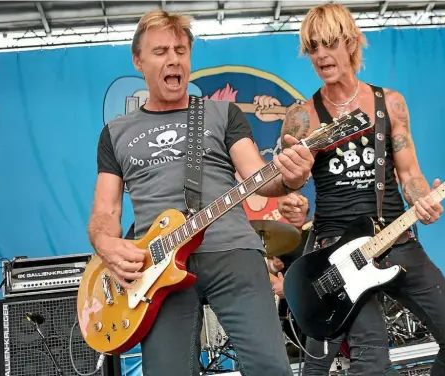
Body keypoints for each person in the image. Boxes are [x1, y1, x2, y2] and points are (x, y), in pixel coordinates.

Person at [88, 9, 314, 376]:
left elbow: (260, 176)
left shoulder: (220, 113)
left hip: (232, 249)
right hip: (156, 270)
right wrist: (106, 244)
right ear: (138, 61)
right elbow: (105, 211)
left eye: (181, 50)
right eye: (160, 51)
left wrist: (291, 177)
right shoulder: (115, 132)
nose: (173, 59)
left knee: (271, 367)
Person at [277, 4, 445, 376]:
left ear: (351, 42)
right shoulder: (302, 116)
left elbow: (410, 175)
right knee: (371, 360)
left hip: (396, 237)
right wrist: (292, 192)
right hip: (338, 249)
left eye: (329, 43)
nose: (321, 54)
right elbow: (285, 182)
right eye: (313, 47)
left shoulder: (391, 103)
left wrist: (423, 198)